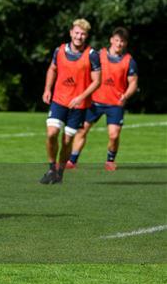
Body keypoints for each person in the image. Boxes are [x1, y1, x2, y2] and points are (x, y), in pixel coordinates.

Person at [66, 27, 138, 171]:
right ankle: (72, 161)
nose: (119, 44)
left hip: (115, 104)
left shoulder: (129, 61)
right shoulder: (99, 55)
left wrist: (126, 95)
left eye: (122, 41)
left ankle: (110, 160)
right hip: (94, 101)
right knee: (82, 130)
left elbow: (133, 83)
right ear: (111, 40)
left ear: (125, 44)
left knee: (113, 135)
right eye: (117, 40)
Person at [40, 19, 101, 184]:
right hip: (59, 100)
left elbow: (97, 81)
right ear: (71, 33)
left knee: (67, 141)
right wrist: (47, 89)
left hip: (79, 106)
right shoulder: (59, 50)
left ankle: (60, 172)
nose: (79, 36)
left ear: (86, 36)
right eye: (77, 32)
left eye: (83, 34)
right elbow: (52, 69)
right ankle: (51, 168)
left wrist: (81, 97)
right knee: (52, 133)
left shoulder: (91, 54)